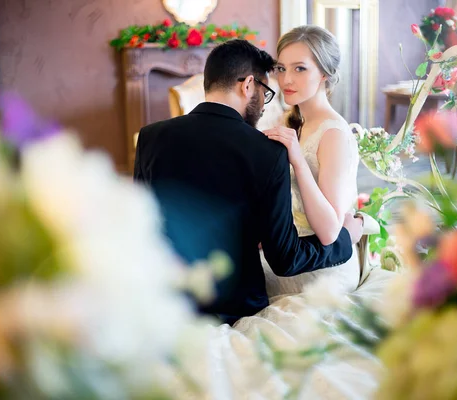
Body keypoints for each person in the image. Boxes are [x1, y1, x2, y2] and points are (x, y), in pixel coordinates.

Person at [133, 39, 363, 325]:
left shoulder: (149, 137)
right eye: (265, 92)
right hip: (236, 306)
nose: (265, 106)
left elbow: (140, 226)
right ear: (248, 86)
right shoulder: (267, 151)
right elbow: (286, 259)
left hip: (169, 300)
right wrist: (346, 238)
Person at [262, 25, 364, 295]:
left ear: (324, 74)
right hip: (292, 252)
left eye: (300, 68)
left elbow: (330, 232)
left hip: (322, 267)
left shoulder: (333, 134)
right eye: (281, 68)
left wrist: (297, 160)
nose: (286, 80)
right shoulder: (292, 122)